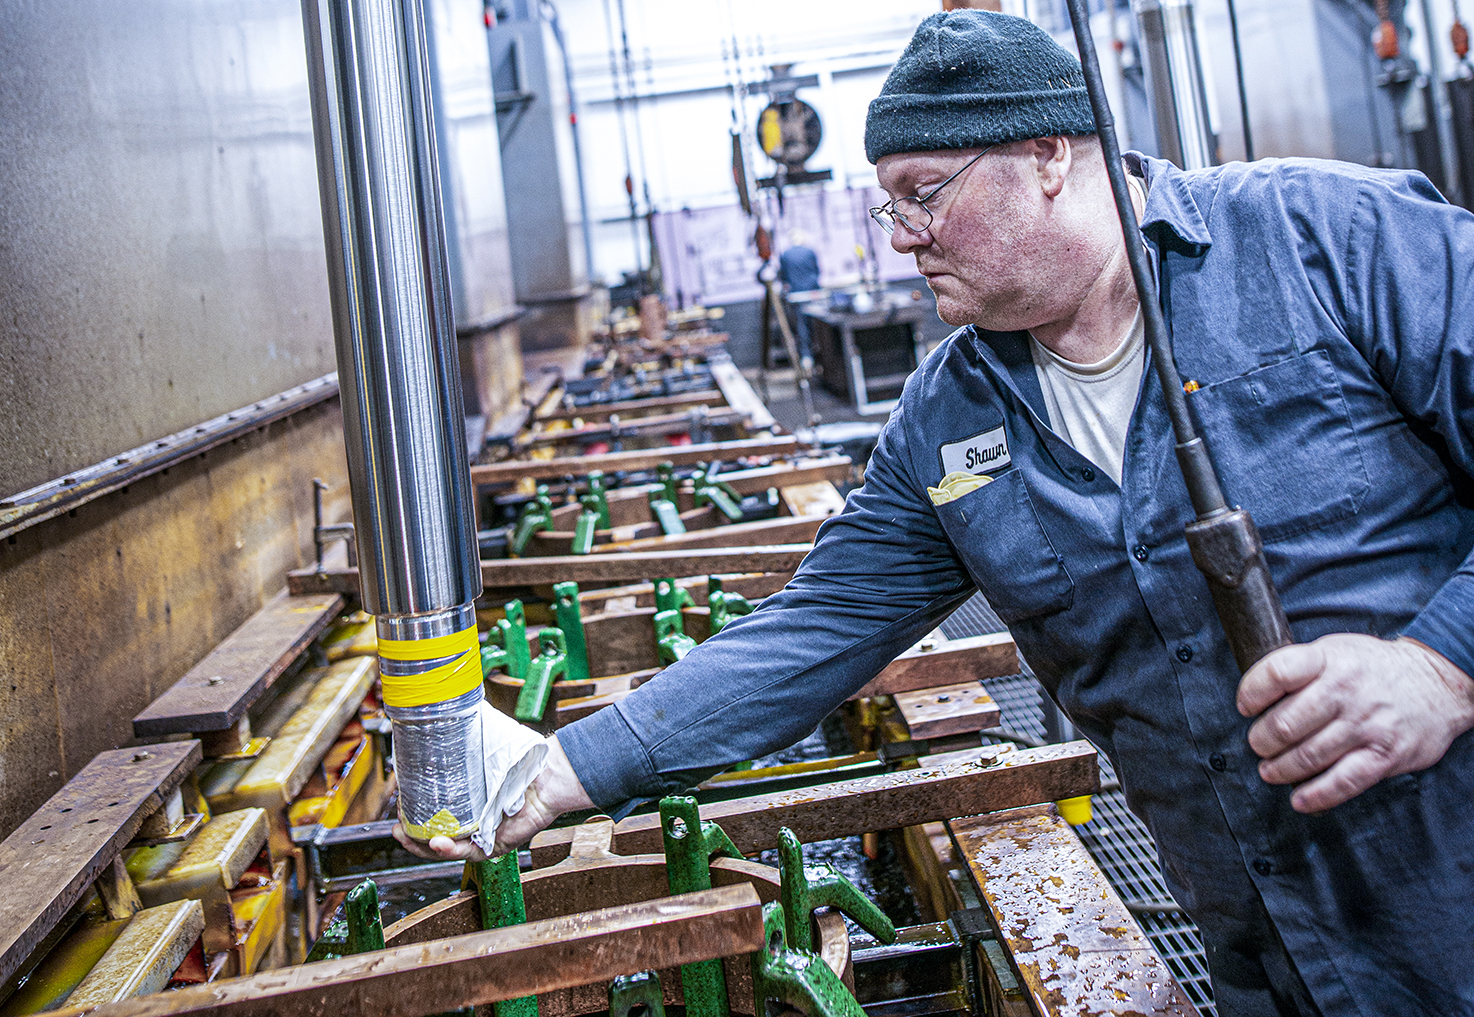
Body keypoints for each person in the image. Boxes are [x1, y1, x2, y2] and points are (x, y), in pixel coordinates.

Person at [398, 11, 1474, 1016]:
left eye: (924, 192)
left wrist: (1439, 668)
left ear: (1049, 155)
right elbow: (814, 630)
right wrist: (563, 771)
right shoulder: (950, 417)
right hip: (1258, 936)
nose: (902, 235)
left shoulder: (1330, 244)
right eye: (889, 202)